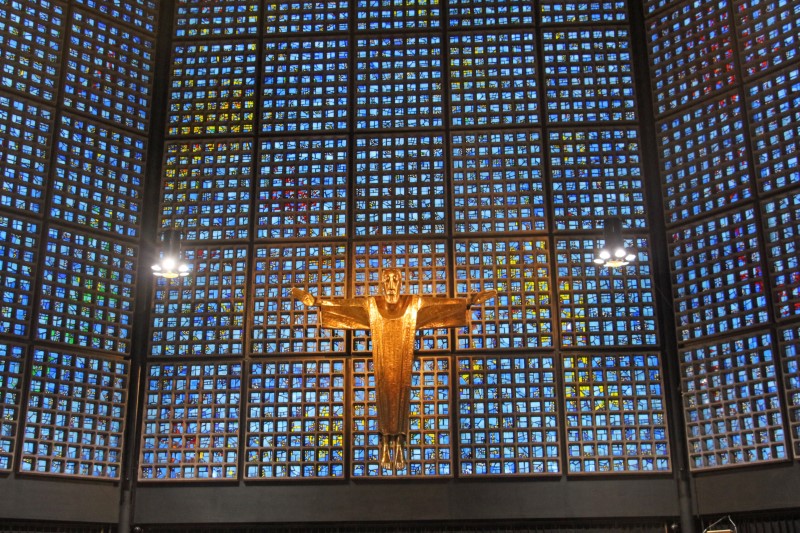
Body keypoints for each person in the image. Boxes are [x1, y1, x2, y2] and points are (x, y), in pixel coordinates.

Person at [291, 267, 496, 470]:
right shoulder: (371, 305)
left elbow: (440, 306)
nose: (391, 285)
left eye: (395, 280)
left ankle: (398, 445)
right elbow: (345, 307)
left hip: (403, 361)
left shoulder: (414, 305)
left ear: (401, 283)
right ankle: (385, 444)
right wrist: (317, 302)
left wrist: (467, 302)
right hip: (382, 361)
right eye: (387, 280)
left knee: (401, 398)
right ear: (381, 284)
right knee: (384, 398)